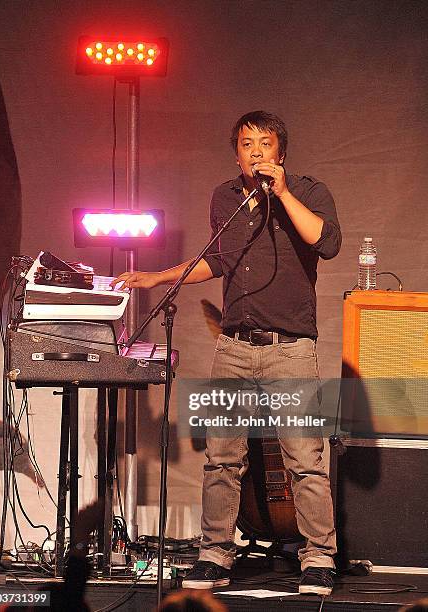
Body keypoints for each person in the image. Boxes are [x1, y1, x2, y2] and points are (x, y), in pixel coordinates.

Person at [111, 110, 342, 596]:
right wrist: (157, 277)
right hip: (235, 347)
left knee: (305, 457)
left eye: (264, 144)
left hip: (290, 349)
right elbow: (218, 259)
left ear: (281, 151)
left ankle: (318, 557)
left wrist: (281, 194)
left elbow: (327, 242)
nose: (255, 152)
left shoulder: (308, 191)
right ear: (235, 152)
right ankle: (215, 553)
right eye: (245, 144)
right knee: (221, 458)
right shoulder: (225, 198)